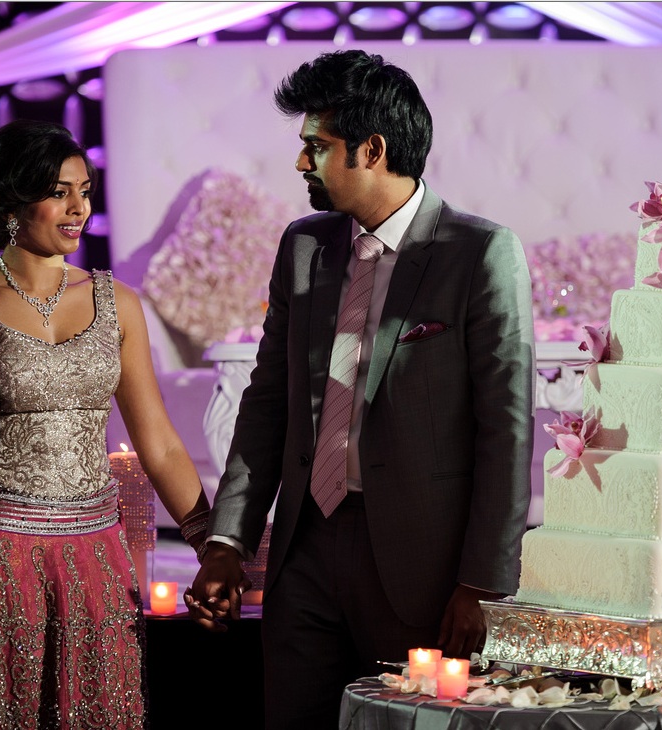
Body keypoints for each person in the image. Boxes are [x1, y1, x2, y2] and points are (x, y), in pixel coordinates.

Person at [186, 49, 534, 729]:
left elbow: (507, 429)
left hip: (423, 566)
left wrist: (484, 583)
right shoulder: (304, 247)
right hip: (304, 553)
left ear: (371, 150)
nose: (301, 162)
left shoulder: (480, 253)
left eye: (317, 146)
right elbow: (266, 402)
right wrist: (229, 542)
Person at [0, 119, 211, 729]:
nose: (78, 208)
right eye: (59, 192)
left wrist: (210, 545)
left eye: (84, 191)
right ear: (13, 201)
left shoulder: (119, 303)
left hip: (96, 557)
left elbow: (161, 445)